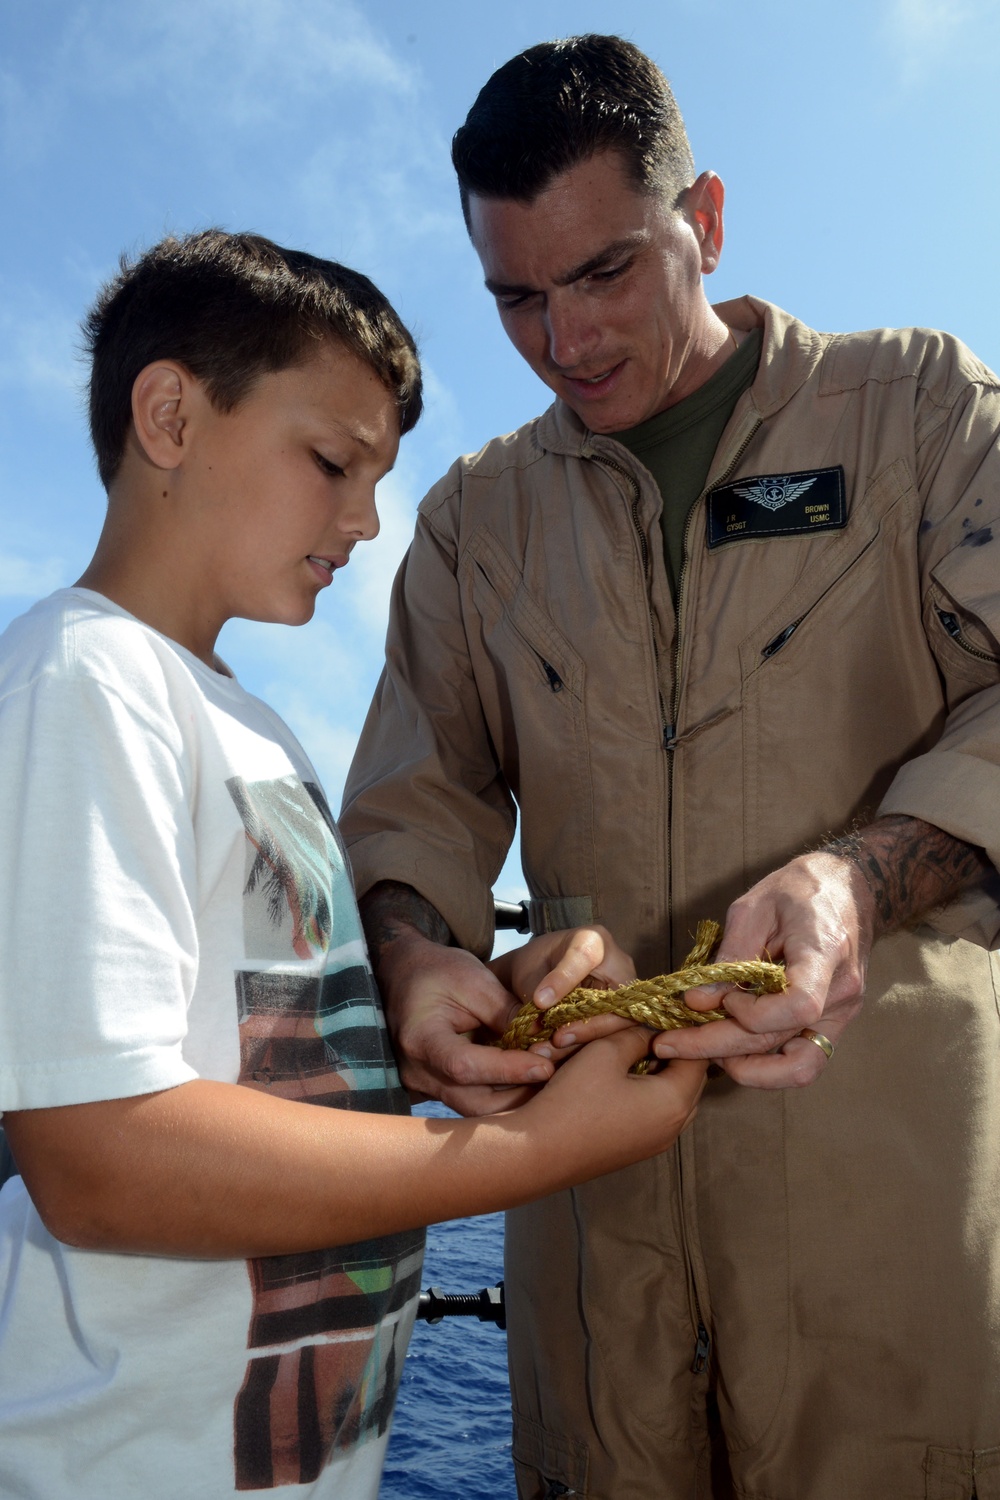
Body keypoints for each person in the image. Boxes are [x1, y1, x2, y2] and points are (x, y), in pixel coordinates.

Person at [339, 34, 1000, 1500]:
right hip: (593, 1246)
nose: (563, 340)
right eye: (516, 294)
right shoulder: (468, 524)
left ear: (702, 221)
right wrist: (415, 955)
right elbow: (414, 802)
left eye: (607, 273)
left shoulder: (924, 414)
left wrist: (863, 874)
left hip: (886, 1232)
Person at [0, 228, 708, 1500]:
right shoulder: (81, 681)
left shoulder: (247, 725)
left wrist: (453, 1001)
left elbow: (262, 1041)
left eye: (376, 477)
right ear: (169, 414)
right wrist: (526, 1157)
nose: (367, 518)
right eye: (331, 461)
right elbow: (96, 1156)